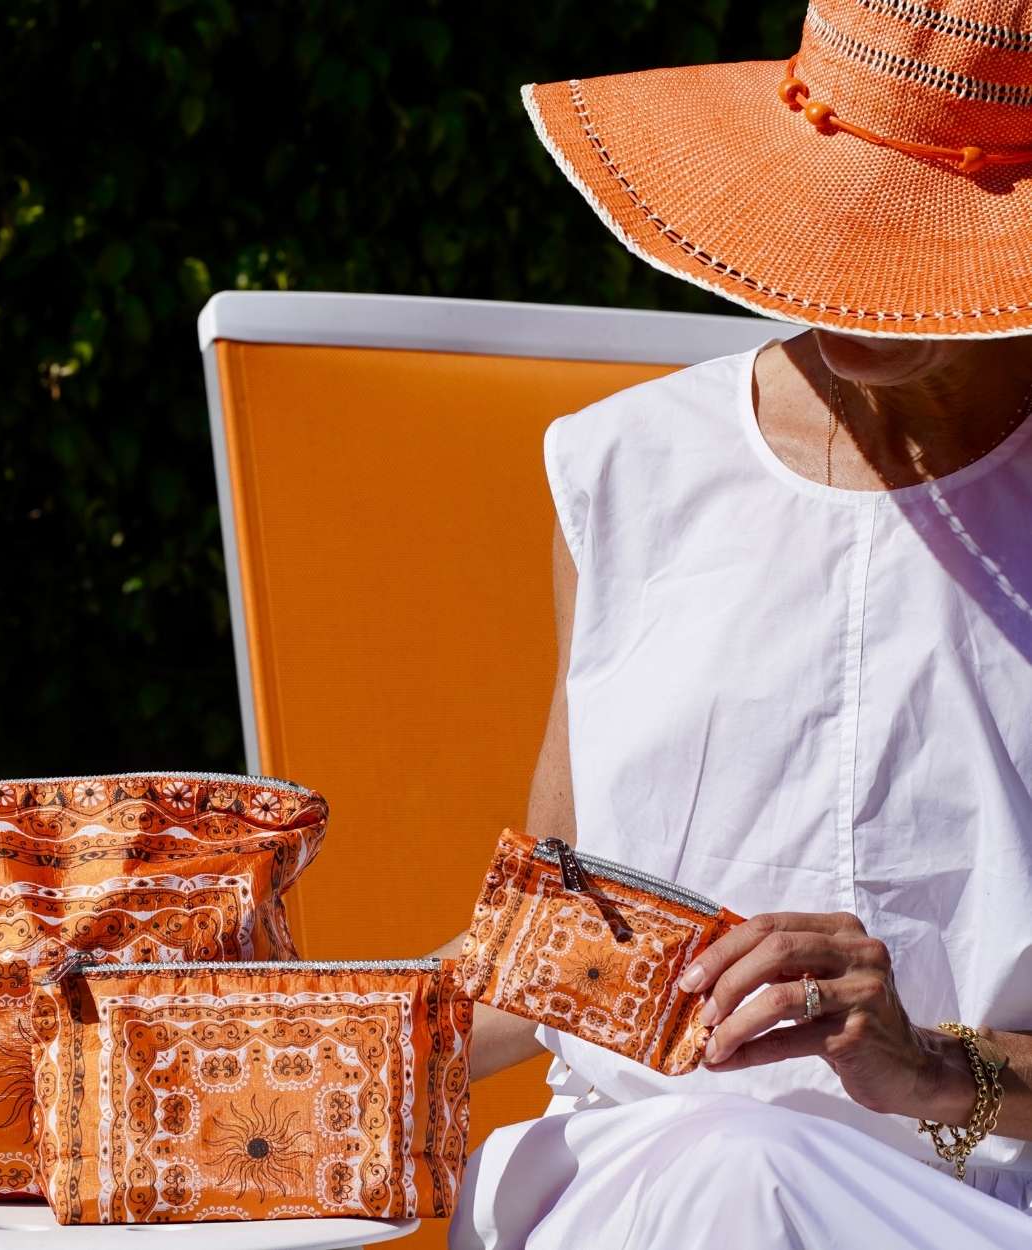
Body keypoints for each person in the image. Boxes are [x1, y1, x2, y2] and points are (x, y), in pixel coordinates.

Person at [439, 2, 1032, 1245]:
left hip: (969, 1198)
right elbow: (555, 947)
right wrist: (241, 1037)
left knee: (752, 1170)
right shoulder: (628, 466)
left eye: (908, 242)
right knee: (730, 1170)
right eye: (837, 213)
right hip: (636, 1174)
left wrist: (935, 1068)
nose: (852, 278)